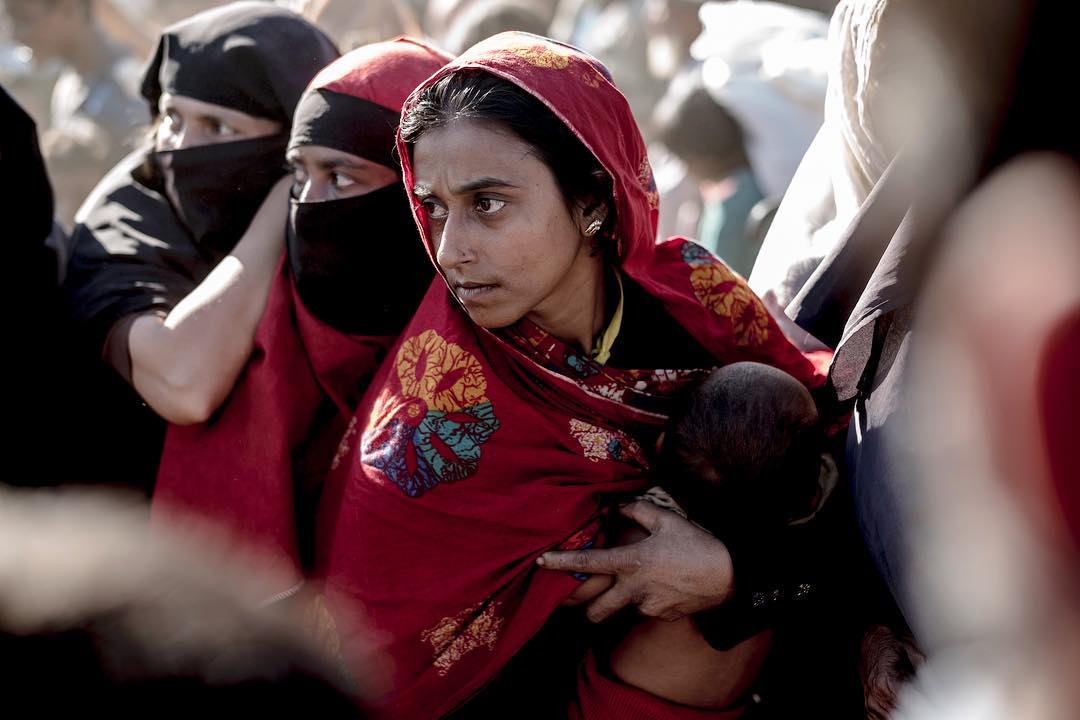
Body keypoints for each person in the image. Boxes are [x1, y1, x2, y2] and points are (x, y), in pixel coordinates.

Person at [316, 32, 831, 718]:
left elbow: (832, 455)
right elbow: (388, 668)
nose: (450, 249)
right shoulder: (434, 412)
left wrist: (731, 576)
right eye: (433, 206)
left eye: (488, 203)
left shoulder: (696, 299)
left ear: (591, 201)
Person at [152, 38, 452, 579]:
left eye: (340, 178)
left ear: (419, 196)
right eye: (299, 177)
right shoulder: (252, 339)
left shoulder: (492, 341)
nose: (309, 207)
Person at [62, 2, 338, 491]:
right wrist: (282, 205)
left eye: (218, 127)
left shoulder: (335, 201)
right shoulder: (125, 217)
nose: (182, 147)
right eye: (171, 118)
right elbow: (184, 383)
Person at [562, 361, 829, 714]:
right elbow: (808, 589)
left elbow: (581, 585)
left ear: (659, 445)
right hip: (724, 703)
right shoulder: (807, 516)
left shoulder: (645, 530)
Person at [3, 0, 149, 225]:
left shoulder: (134, 83)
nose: (16, 37)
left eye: (25, 21)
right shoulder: (68, 87)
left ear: (69, 9)